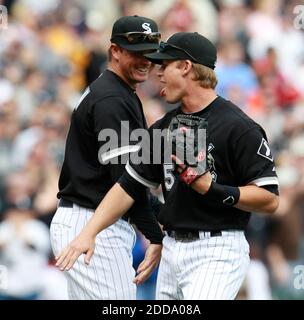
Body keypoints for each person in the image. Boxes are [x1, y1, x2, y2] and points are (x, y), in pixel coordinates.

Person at [55, 32, 280, 300]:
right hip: (172, 251)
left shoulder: (239, 127)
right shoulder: (163, 128)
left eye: (165, 65)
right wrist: (88, 233)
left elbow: (269, 199)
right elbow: (128, 186)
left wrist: (212, 189)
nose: (157, 73)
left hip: (217, 249)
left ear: (186, 67)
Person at [50, 15, 164, 300]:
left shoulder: (118, 92)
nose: (145, 61)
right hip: (93, 224)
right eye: (137, 53)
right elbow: (127, 182)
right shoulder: (112, 98)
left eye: (150, 54)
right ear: (115, 51)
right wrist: (157, 231)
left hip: (93, 220)